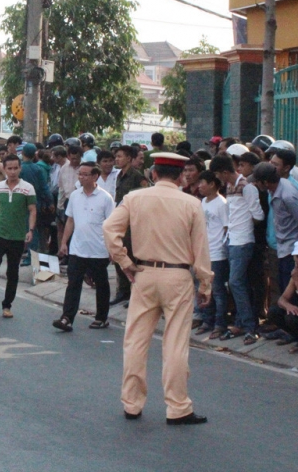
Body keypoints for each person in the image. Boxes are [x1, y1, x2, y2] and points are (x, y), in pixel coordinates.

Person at [103, 152, 212, 425]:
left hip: (143, 274)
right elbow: (201, 249)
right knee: (175, 343)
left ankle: (132, 403)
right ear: (181, 176)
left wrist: (124, 261)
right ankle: (177, 407)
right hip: (177, 277)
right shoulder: (191, 204)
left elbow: (109, 229)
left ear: (153, 174)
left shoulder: (135, 198)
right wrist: (205, 284)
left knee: (135, 341)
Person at [208, 154, 264, 344]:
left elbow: (258, 215)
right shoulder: (231, 187)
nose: (218, 178)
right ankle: (242, 323)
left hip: (243, 241)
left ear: (225, 171)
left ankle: (249, 326)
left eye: (218, 174)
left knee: (236, 283)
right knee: (238, 284)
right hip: (232, 240)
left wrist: (244, 227)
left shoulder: (247, 187)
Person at [53, 162, 115, 332]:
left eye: (85, 174)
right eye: (80, 174)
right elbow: (70, 220)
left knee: (101, 285)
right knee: (73, 284)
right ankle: (67, 318)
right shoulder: (74, 196)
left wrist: (112, 248)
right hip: (77, 249)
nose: (81, 177)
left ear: (95, 176)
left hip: (98, 250)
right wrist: (64, 242)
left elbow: (112, 226)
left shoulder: (105, 198)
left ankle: (101, 317)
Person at [0, 155, 37, 318]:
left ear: (20, 168)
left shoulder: (28, 188)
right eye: (9, 168)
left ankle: (7, 305)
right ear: (4, 169)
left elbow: (32, 210)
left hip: (18, 237)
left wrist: (30, 230)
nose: (12, 171)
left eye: (15, 168)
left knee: (12, 272)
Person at [253, 162, 298, 293]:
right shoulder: (278, 188)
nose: (256, 184)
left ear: (266, 182)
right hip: (283, 248)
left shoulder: (287, 197)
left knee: (290, 290)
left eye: (258, 181)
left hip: (291, 249)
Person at [110, 145, 150, 306]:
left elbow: (142, 201)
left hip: (134, 224)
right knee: (120, 256)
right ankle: (123, 291)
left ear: (129, 158)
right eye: (116, 157)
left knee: (133, 259)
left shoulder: (137, 176)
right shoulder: (120, 175)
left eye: (120, 156)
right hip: (122, 222)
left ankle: (135, 293)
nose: (117, 159)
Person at [195, 170, 229, 338]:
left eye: (203, 182)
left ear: (213, 184)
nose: (199, 186)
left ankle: (220, 324)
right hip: (204, 253)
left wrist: (221, 246)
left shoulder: (222, 204)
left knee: (217, 290)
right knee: (203, 288)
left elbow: (226, 227)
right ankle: (206, 321)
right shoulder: (203, 202)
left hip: (217, 253)